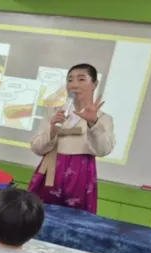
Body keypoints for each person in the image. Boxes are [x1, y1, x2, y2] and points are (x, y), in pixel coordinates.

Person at [28, 63, 115, 214]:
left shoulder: (103, 118)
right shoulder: (54, 113)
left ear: (94, 84)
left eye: (81, 79)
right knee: (37, 216)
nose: (74, 85)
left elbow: (103, 150)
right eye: (70, 80)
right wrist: (52, 130)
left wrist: (93, 123)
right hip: (50, 171)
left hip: (81, 175)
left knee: (76, 219)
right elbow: (36, 148)